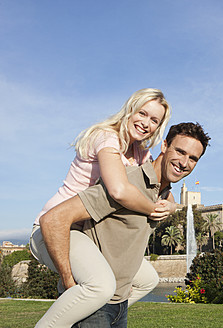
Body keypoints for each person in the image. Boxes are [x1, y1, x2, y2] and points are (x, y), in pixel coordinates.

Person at [40, 123, 210, 327]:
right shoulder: (127, 183)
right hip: (95, 307)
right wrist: (68, 281)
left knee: (150, 279)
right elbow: (54, 219)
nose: (184, 162)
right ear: (164, 146)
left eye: (193, 158)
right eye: (180, 151)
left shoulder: (163, 195)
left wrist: (173, 206)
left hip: (119, 305)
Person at [29, 88, 173, 328]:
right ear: (130, 109)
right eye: (143, 113)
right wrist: (152, 208)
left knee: (147, 279)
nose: (146, 123)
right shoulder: (107, 138)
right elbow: (118, 189)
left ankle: (93, 309)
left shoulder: (140, 153)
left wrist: (172, 204)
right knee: (100, 286)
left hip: (86, 235)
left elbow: (153, 185)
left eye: (154, 120)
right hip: (55, 230)